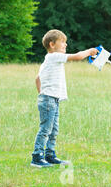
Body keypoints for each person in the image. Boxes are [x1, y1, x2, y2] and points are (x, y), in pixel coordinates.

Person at [31, 29, 98, 168]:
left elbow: (37, 79)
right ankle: (37, 157)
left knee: (53, 130)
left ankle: (49, 155)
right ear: (52, 44)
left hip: (52, 99)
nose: (65, 45)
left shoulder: (48, 61)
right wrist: (90, 51)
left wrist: (41, 93)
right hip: (49, 99)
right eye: (63, 42)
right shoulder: (53, 56)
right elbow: (78, 57)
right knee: (46, 129)